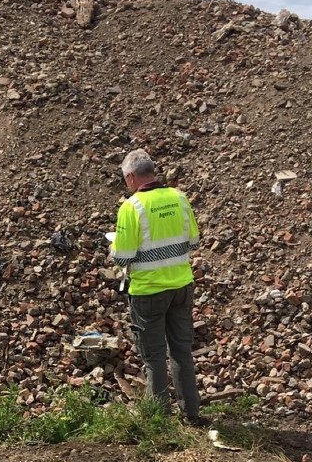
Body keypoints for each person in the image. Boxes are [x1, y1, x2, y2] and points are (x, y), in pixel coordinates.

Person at [110, 149, 204, 426]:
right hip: (181, 287)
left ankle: (159, 420)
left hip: (148, 292)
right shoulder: (179, 197)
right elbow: (193, 242)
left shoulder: (132, 207)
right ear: (152, 171)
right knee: (182, 353)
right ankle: (192, 415)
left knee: (153, 357)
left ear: (130, 178)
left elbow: (123, 256)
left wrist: (113, 245)